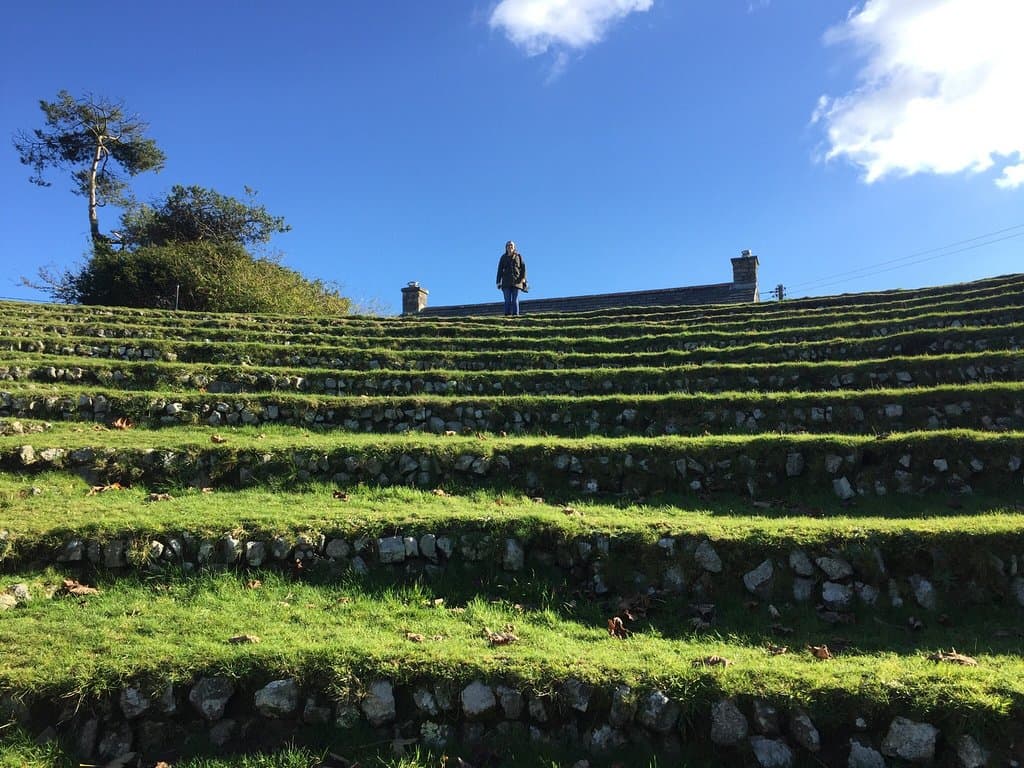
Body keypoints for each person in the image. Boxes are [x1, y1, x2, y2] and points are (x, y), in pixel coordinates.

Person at [496, 240, 527, 316]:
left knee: (515, 300)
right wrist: (498, 281)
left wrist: (523, 278)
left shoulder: (518, 256)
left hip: (517, 282)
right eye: (508, 245)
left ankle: (516, 315)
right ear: (506, 248)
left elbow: (523, 268)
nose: (510, 247)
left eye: (511, 245)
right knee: (507, 300)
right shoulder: (503, 257)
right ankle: (507, 315)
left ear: (514, 247)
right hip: (506, 282)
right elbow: (499, 269)